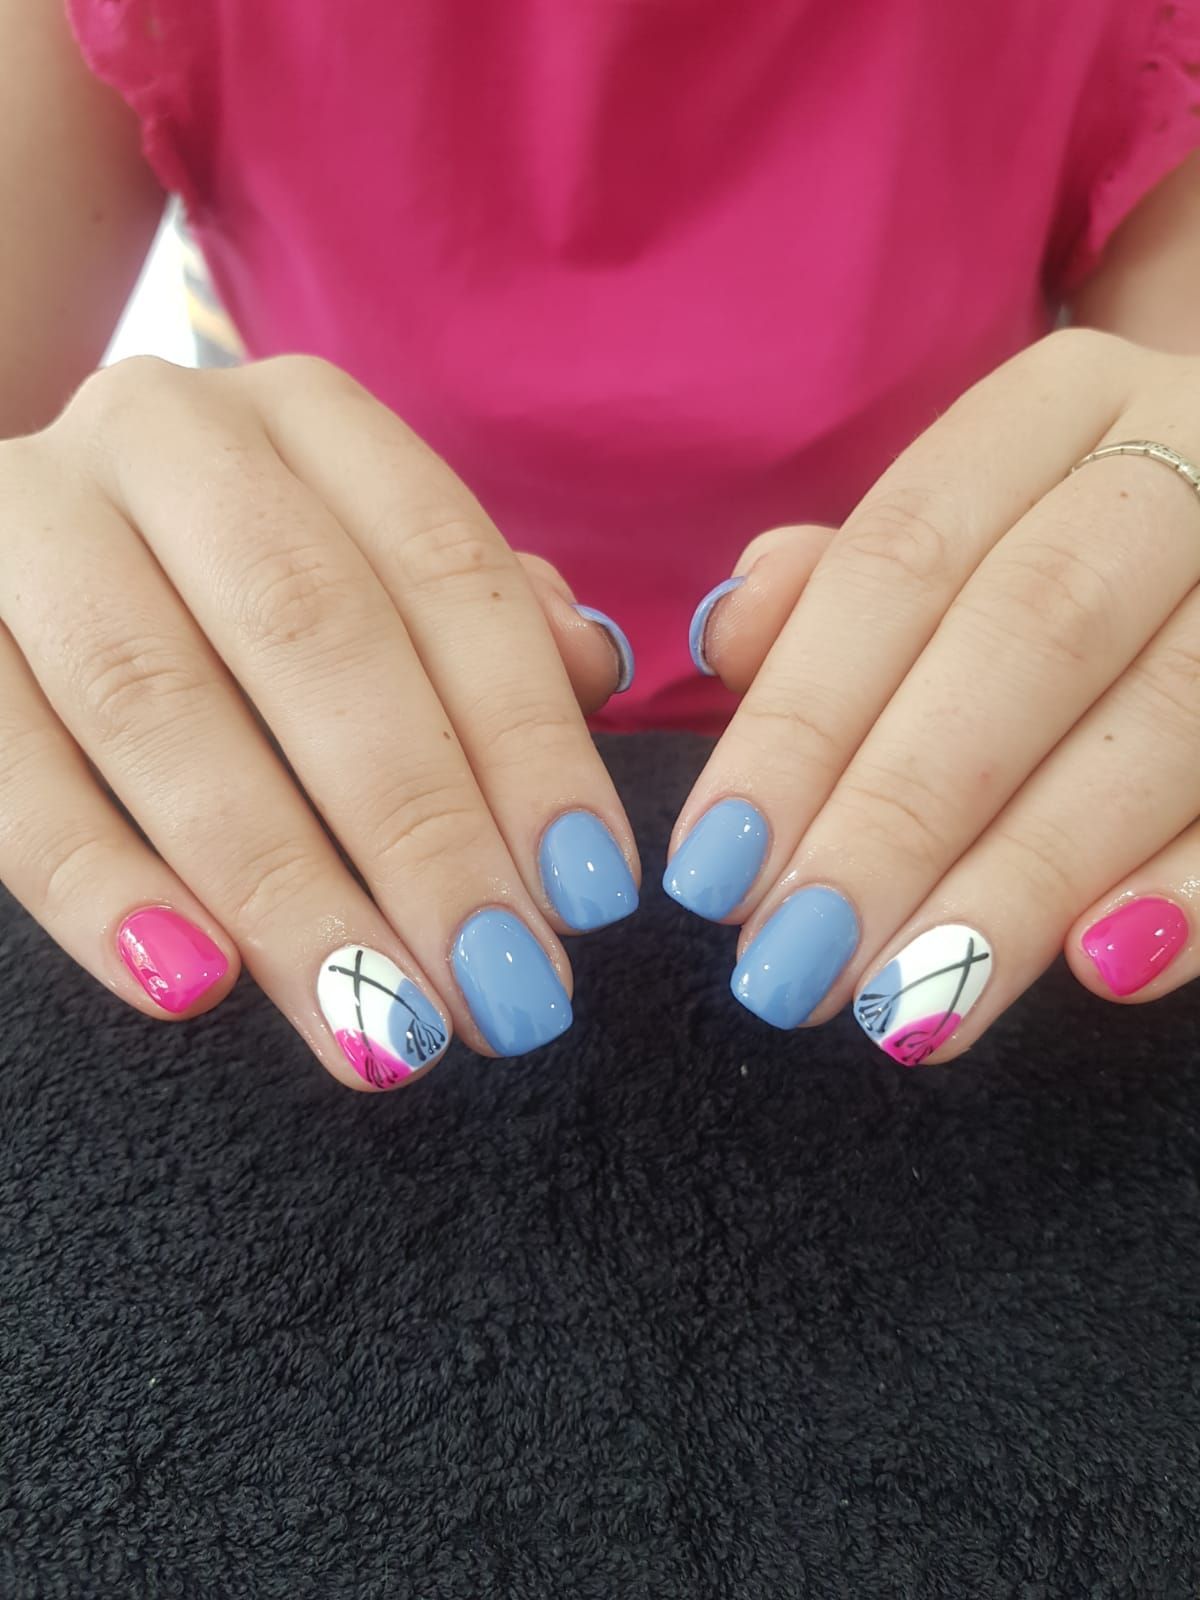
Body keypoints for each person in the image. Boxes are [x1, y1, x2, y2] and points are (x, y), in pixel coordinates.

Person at [2, 0, 1199, 1087]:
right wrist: (52, 517)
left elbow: (1155, 417)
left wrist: (1164, 488)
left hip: (952, 792)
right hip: (328, 781)